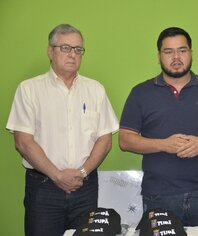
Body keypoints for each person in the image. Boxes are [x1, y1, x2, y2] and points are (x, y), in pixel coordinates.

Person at [6, 24, 119, 236]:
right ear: (50, 51)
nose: (72, 54)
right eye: (65, 48)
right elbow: (23, 142)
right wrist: (57, 175)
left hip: (84, 187)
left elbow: (105, 139)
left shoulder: (95, 89)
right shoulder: (29, 89)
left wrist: (82, 173)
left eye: (78, 49)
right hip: (44, 188)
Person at [119, 27, 198, 226]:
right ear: (159, 56)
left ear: (191, 53)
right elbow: (125, 140)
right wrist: (164, 145)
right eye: (168, 51)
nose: (176, 57)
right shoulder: (140, 93)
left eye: (182, 50)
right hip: (157, 195)